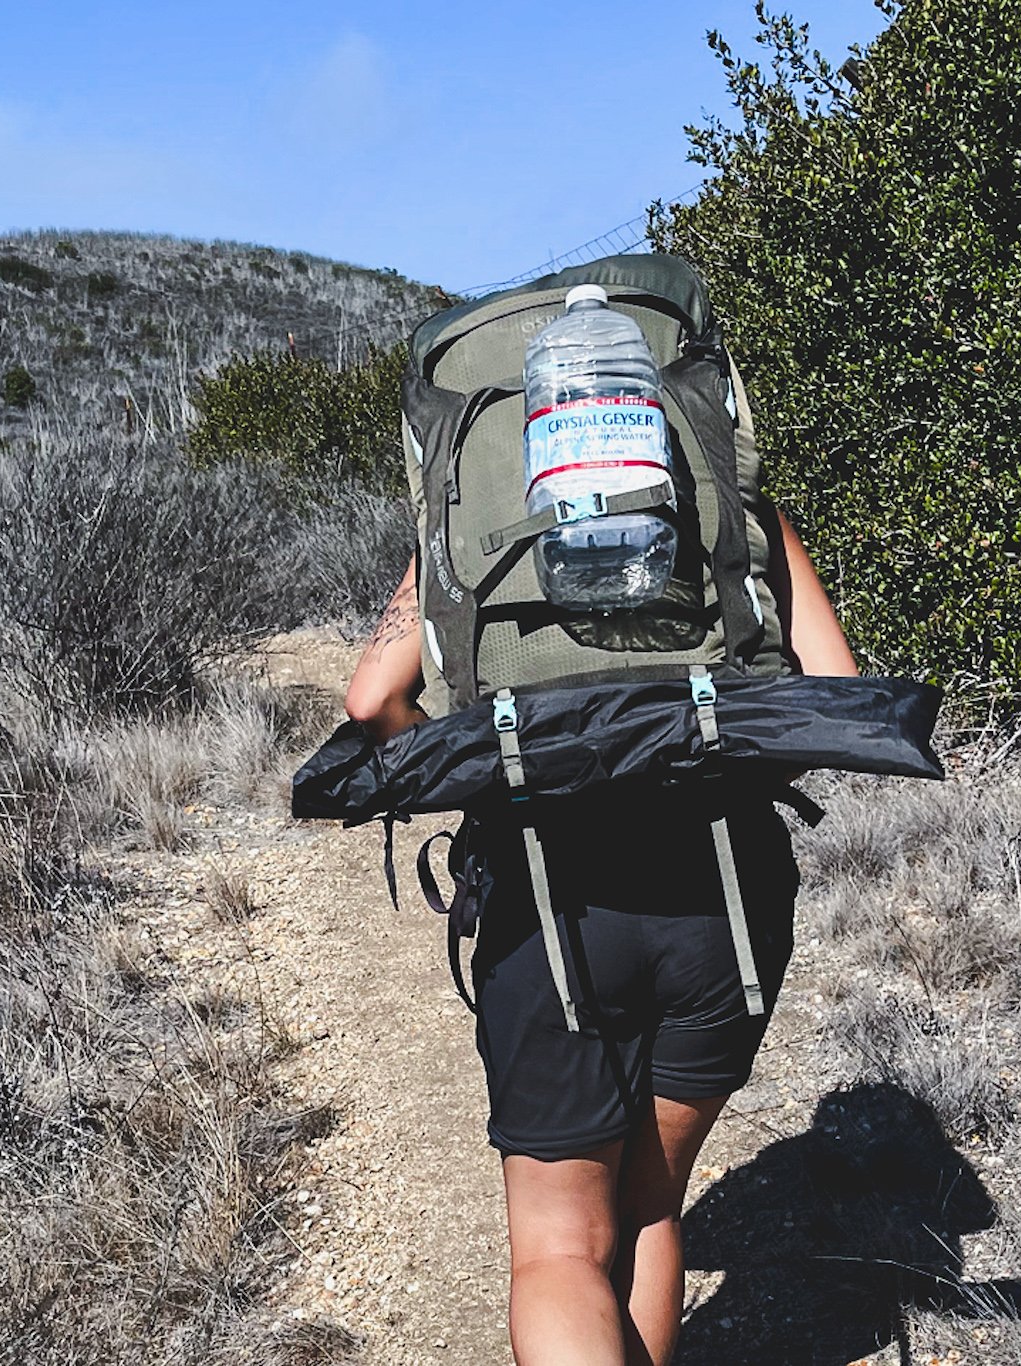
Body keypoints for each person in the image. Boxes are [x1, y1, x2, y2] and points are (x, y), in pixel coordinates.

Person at [343, 508, 859, 1366]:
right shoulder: (724, 487)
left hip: (551, 902)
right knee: (648, 1205)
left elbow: (372, 701)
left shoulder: (472, 507)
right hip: (727, 897)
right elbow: (832, 696)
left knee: (561, 1247)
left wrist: (489, 795)